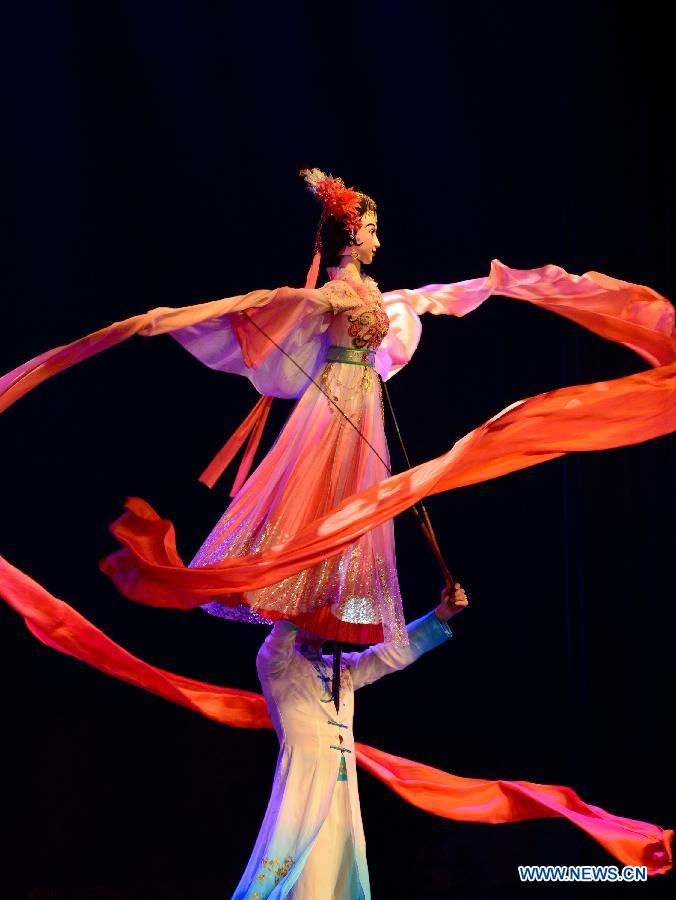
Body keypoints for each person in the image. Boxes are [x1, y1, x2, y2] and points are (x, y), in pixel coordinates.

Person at [233, 581, 469, 899]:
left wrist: (440, 616)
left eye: (330, 610)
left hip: (342, 792)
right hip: (305, 786)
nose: (327, 616)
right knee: (305, 881)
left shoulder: (342, 668)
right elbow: (283, 631)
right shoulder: (275, 666)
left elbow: (390, 655)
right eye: (320, 610)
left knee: (340, 878)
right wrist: (309, 586)